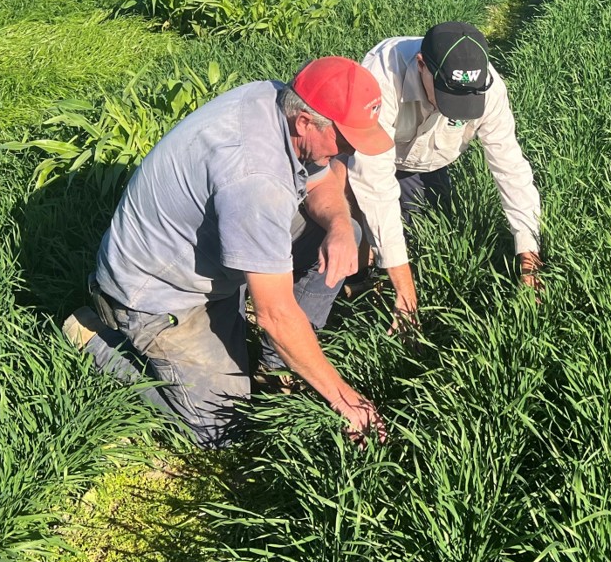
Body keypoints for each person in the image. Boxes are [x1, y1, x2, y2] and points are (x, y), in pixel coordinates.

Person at [61, 56, 393, 449]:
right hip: (160, 292)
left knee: (347, 233)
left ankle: (279, 368)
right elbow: (274, 314)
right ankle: (92, 337)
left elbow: (321, 182)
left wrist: (339, 226)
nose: (348, 151)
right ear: (305, 121)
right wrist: (344, 399)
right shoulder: (255, 178)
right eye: (345, 138)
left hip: (212, 250)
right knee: (221, 430)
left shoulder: (280, 105)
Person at [347, 21, 541, 329]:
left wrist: (529, 260)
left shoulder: (488, 86)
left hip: (430, 159)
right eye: (448, 98)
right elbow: (373, 183)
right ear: (422, 65)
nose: (455, 110)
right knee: (359, 226)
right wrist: (406, 293)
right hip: (379, 153)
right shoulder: (380, 76)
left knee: (427, 235)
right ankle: (359, 281)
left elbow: (510, 168)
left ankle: (387, 272)